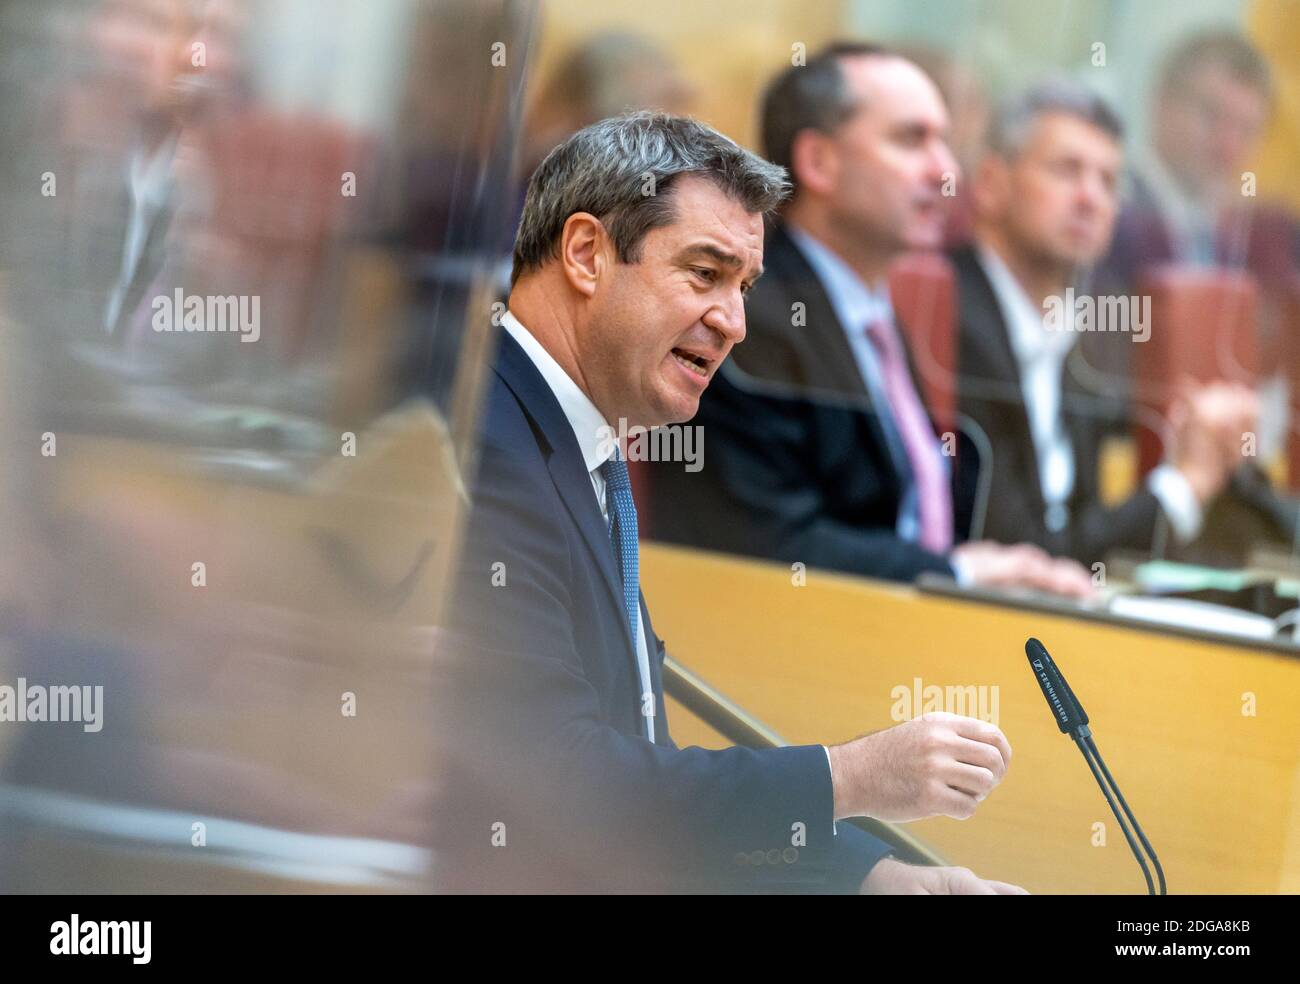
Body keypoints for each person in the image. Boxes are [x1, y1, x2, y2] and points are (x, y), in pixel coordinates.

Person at [438, 111, 1024, 894]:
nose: (735, 323)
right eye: (705, 273)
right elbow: (561, 786)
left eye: (743, 286)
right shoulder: (488, 447)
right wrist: (848, 776)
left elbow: (648, 789)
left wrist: (877, 879)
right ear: (585, 254)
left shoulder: (582, 447)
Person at [653, 42, 1093, 597]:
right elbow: (768, 546)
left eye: (946, 143)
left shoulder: (879, 312)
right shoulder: (750, 316)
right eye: (912, 140)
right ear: (819, 163)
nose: (946, 171)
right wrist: (956, 572)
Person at [956, 80, 1258, 564]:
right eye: (1066, 170)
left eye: (1109, 181)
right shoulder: (951, 318)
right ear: (991, 184)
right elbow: (1029, 557)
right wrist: (1184, 484)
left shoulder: (1086, 333)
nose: (1090, 198)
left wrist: (1205, 439)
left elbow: (1077, 535)